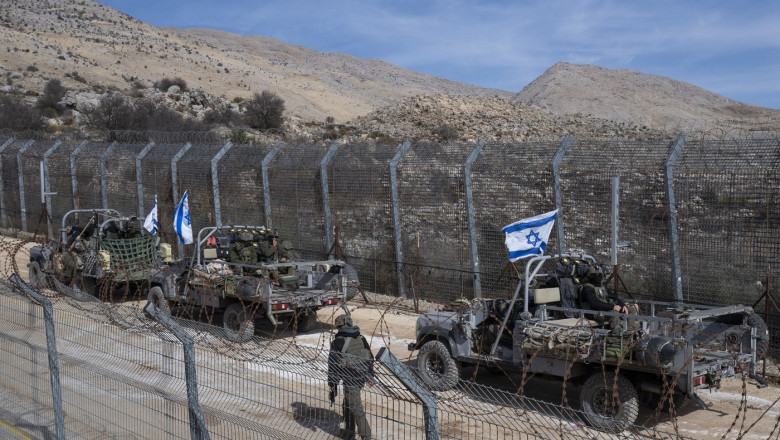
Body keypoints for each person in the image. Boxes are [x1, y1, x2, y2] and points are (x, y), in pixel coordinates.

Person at [328, 314, 374, 440]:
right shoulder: (361, 338)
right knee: (347, 405)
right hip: (361, 378)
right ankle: (349, 432)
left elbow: (333, 365)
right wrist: (370, 376)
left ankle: (366, 436)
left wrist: (332, 383)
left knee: (356, 408)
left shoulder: (337, 342)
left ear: (339, 326)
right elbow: (370, 358)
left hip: (350, 380)